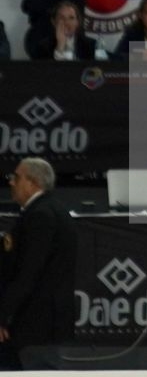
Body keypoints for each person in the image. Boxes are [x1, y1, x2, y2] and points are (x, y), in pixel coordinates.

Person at [0, 157, 76, 367]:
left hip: (36, 324)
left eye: (16, 177)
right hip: (45, 322)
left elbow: (28, 272)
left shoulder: (40, 216)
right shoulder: (54, 210)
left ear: (33, 183)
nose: (11, 182)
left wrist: (3, 315)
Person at [26, 2, 103, 61]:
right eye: (61, 18)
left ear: (77, 22)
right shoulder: (43, 47)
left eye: (71, 18)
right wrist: (60, 46)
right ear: (54, 22)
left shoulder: (91, 45)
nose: (67, 22)